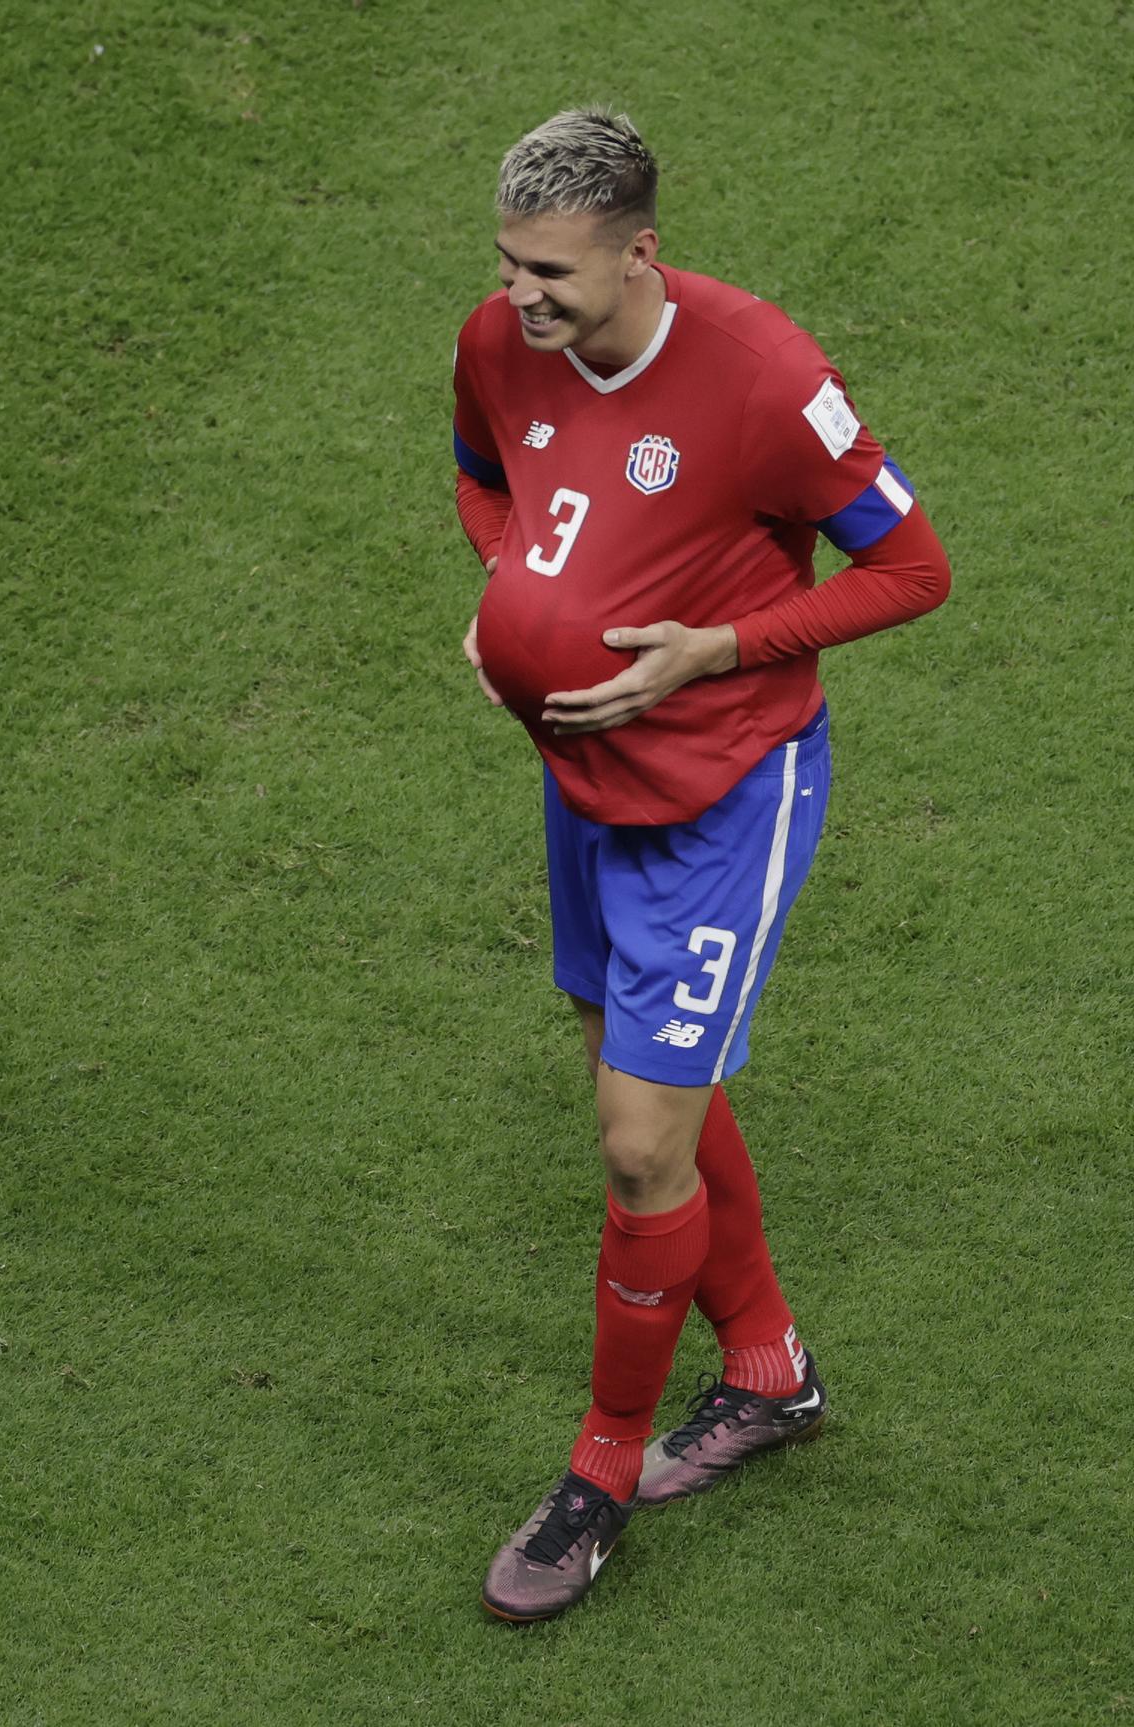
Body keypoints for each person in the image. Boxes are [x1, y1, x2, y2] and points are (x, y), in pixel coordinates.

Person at [452, 108, 950, 1623]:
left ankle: (600, 1476)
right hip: (579, 771)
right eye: (509, 263)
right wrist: (511, 600)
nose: (521, 297)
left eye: (551, 271)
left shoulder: (764, 380)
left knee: (633, 1141)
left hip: (730, 785)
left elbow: (913, 571)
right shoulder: (497, 342)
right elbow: (488, 478)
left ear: (640, 250)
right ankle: (770, 1373)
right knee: (641, 1081)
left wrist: (717, 648)